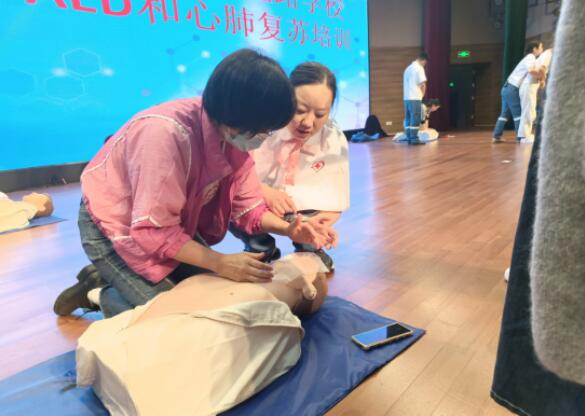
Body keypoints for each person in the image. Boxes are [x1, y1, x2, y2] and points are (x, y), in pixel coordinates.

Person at [53, 49, 338, 318]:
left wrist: (291, 229)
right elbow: (153, 230)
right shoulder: (164, 135)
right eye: (263, 130)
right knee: (178, 316)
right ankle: (99, 292)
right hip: (114, 226)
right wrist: (219, 262)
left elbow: (247, 207)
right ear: (236, 118)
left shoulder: (234, 135)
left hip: (165, 226)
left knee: (212, 300)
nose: (265, 137)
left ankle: (115, 282)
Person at [76, 252, 329, 416]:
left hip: (104, 351)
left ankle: (103, 296)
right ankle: (104, 296)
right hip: (134, 373)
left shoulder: (272, 300)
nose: (286, 261)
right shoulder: (256, 293)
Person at [229, 62, 349, 272]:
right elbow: (235, 176)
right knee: (230, 203)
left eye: (320, 114)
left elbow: (335, 189)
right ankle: (261, 247)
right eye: (300, 110)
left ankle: (309, 247)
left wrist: (327, 216)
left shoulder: (332, 138)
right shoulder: (263, 126)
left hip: (301, 208)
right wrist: (264, 192)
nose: (308, 122)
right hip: (257, 199)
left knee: (314, 217)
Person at [492, 41, 544, 143]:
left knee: (504, 114)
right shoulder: (531, 57)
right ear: (535, 49)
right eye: (541, 47)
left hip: (506, 87)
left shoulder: (528, 58)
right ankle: (521, 137)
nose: (542, 49)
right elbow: (530, 70)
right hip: (512, 88)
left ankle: (496, 136)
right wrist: (541, 77)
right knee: (519, 113)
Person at [517, 48, 553, 143]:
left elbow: (541, 70)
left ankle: (524, 135)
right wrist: (543, 79)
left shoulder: (547, 54)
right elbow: (541, 69)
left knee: (529, 111)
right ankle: (525, 137)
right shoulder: (548, 54)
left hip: (530, 85)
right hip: (529, 85)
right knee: (529, 111)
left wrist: (541, 79)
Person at [403, 51, 428, 145]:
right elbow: (423, 84)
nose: (425, 64)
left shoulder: (408, 68)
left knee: (408, 118)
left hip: (406, 98)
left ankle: (408, 137)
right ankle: (414, 139)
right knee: (415, 117)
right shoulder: (419, 68)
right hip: (415, 97)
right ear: (423, 60)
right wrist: (422, 95)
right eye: (425, 63)